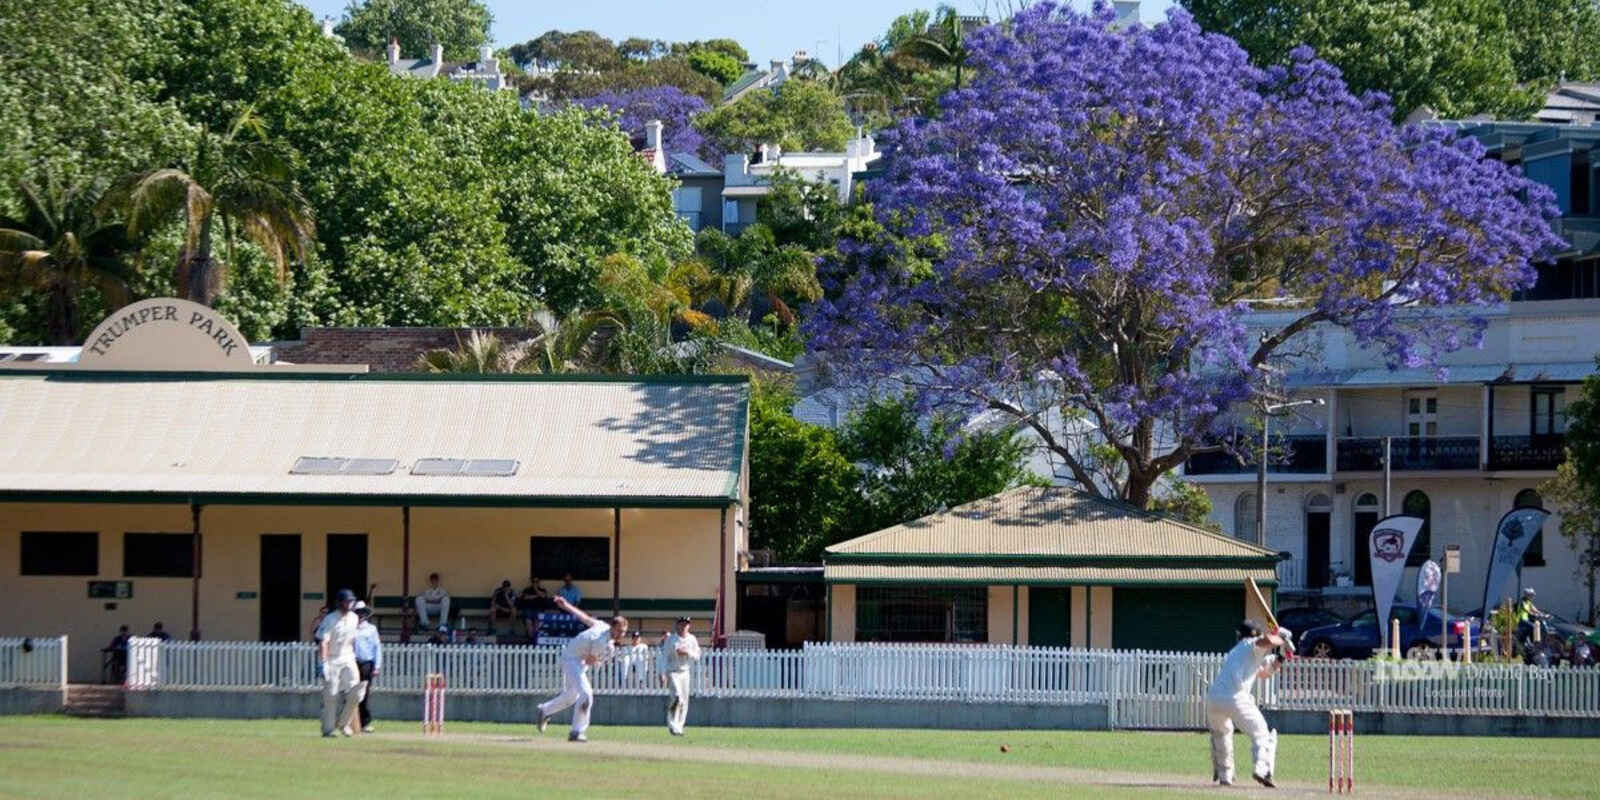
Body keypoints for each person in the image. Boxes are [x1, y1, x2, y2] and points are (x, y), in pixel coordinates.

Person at [1204, 619, 1292, 788]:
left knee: (1221, 734)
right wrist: (1281, 636)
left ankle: (1225, 776)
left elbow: (1265, 673)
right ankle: (1262, 770)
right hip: (1235, 697)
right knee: (1261, 733)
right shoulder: (1249, 644)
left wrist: (1281, 656)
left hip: (1214, 699)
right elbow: (1268, 640)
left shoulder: (1238, 652)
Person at [535, 595, 626, 742]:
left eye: (624, 631)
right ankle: (577, 732)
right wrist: (602, 658)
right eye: (620, 631)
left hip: (575, 659)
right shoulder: (601, 641)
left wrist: (566, 605)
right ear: (613, 627)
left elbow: (584, 617)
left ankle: (544, 710)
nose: (622, 634)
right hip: (572, 660)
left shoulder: (602, 625)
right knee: (586, 694)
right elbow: (590, 660)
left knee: (571, 697)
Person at [314, 589, 364, 738]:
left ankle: (344, 724)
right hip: (332, 659)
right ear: (340, 603)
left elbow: (353, 640)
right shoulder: (330, 619)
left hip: (348, 657)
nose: (350, 604)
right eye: (347, 601)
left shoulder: (354, 618)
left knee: (357, 692)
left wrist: (356, 657)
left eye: (351, 601)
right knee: (331, 695)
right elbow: (323, 642)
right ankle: (328, 729)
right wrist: (323, 663)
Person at [659, 616, 702, 736]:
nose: (683, 626)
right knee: (677, 697)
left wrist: (687, 652)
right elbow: (665, 657)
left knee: (684, 701)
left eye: (686, 624)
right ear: (677, 625)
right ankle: (672, 724)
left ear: (689, 626)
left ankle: (679, 726)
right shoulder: (671, 639)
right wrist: (663, 673)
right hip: (673, 671)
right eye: (681, 624)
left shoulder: (692, 639)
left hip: (685, 672)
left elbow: (697, 655)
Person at [351, 601, 382, 734]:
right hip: (351, 663)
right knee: (350, 693)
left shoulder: (371, 629)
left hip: (366, 664)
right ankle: (349, 723)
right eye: (357, 613)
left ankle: (365, 723)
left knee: (364, 694)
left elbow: (377, 648)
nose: (359, 616)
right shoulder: (350, 628)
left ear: (365, 614)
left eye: (361, 613)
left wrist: (377, 666)